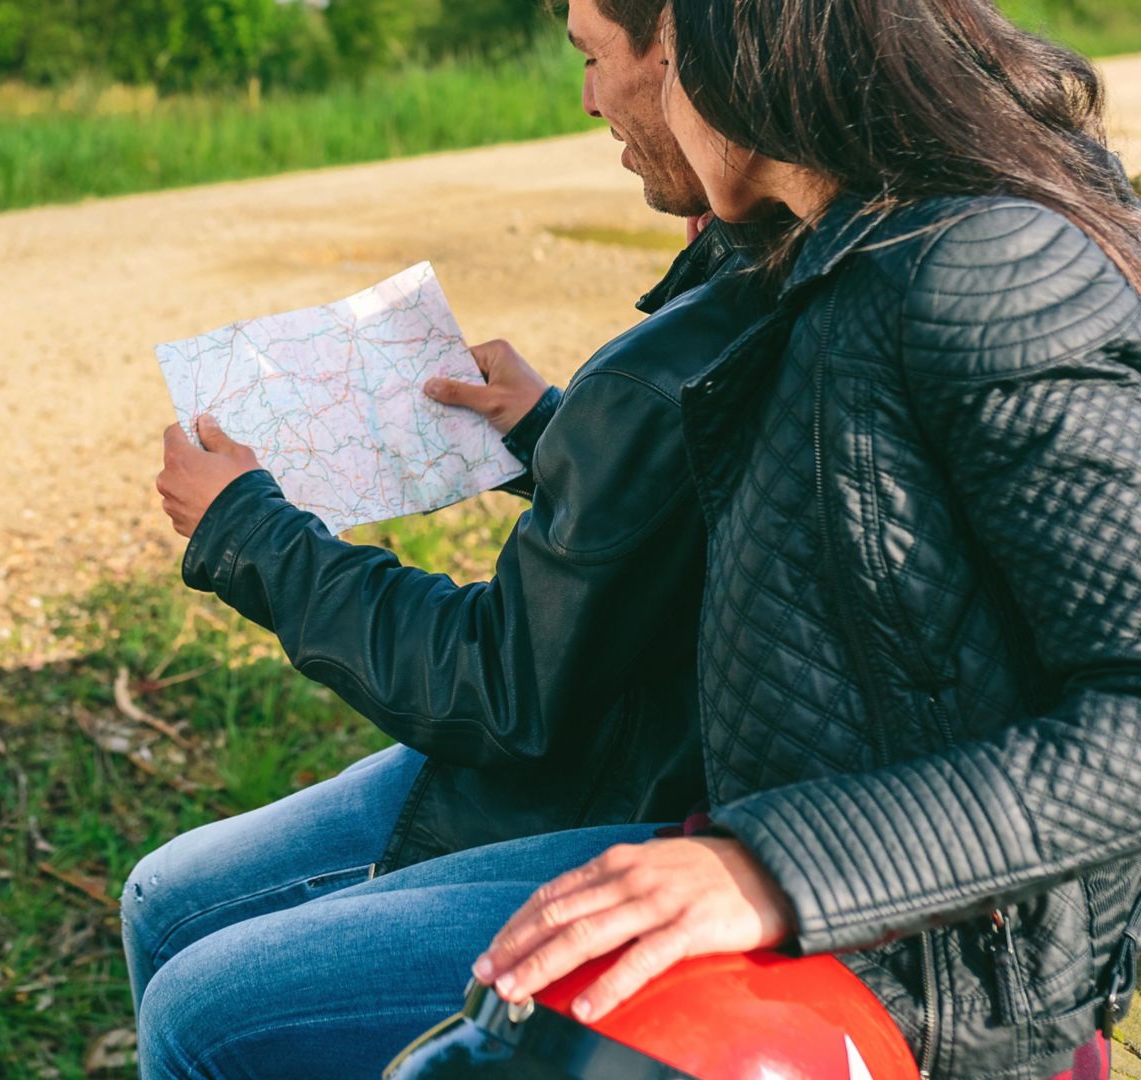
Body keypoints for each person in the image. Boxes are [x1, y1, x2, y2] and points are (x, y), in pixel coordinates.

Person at [463, 0, 1141, 1076]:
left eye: (663, 56)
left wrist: (776, 868)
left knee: (218, 1013)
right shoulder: (818, 240)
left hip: (914, 959)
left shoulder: (986, 264)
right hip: (760, 850)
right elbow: (819, 536)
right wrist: (549, 436)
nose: (616, 95)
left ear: (737, 40)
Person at [128, 0, 773, 1069]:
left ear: (682, 57)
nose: (586, 97)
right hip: (628, 737)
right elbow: (695, 512)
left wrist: (249, 530)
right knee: (161, 897)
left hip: (642, 785)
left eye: (592, 58)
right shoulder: (748, 252)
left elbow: (501, 691)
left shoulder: (752, 304)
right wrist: (553, 434)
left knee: (199, 1010)